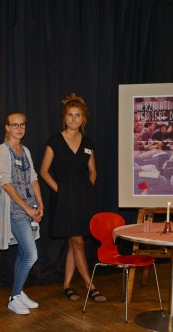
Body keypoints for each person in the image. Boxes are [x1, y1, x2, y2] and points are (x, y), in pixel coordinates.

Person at [40, 93, 105, 302]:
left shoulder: (87, 142)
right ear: (64, 117)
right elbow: (43, 171)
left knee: (73, 242)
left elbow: (93, 172)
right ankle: (90, 284)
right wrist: (60, 190)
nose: (74, 119)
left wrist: (85, 190)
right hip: (63, 200)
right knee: (77, 241)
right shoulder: (55, 141)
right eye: (70, 115)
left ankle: (67, 285)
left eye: (78, 115)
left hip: (83, 200)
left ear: (83, 118)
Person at [0, 111, 43, 315]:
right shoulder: (2, 151)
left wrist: (40, 204)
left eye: (22, 124)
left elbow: (33, 177)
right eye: (14, 125)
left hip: (30, 208)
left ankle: (18, 292)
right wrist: (27, 209)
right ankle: (14, 297)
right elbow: (5, 183)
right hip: (15, 210)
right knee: (31, 255)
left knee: (24, 253)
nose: (19, 128)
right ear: (7, 127)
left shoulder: (25, 150)